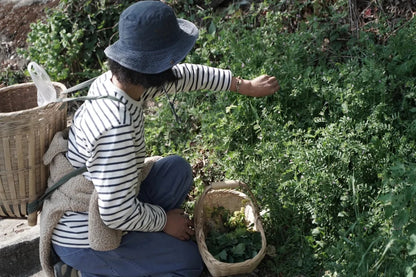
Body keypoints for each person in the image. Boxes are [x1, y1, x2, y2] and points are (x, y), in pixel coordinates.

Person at [40, 1, 279, 276]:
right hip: (87, 234)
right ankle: (85, 271)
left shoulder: (118, 81)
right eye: (171, 59)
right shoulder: (116, 128)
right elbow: (114, 213)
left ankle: (144, 246)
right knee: (188, 262)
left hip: (109, 195)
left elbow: (184, 76)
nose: (176, 64)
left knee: (177, 170)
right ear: (151, 66)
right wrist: (164, 221)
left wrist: (243, 85)